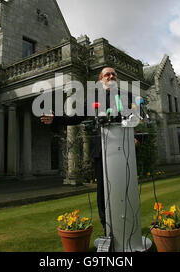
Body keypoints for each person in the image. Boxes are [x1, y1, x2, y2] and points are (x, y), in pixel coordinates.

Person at [41, 67, 135, 234]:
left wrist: (136, 138)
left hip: (124, 150)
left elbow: (136, 119)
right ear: (100, 80)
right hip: (102, 151)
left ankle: (128, 228)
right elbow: (75, 118)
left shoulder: (126, 96)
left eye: (113, 74)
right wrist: (55, 119)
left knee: (125, 189)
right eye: (107, 74)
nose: (111, 76)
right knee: (103, 192)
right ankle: (108, 229)